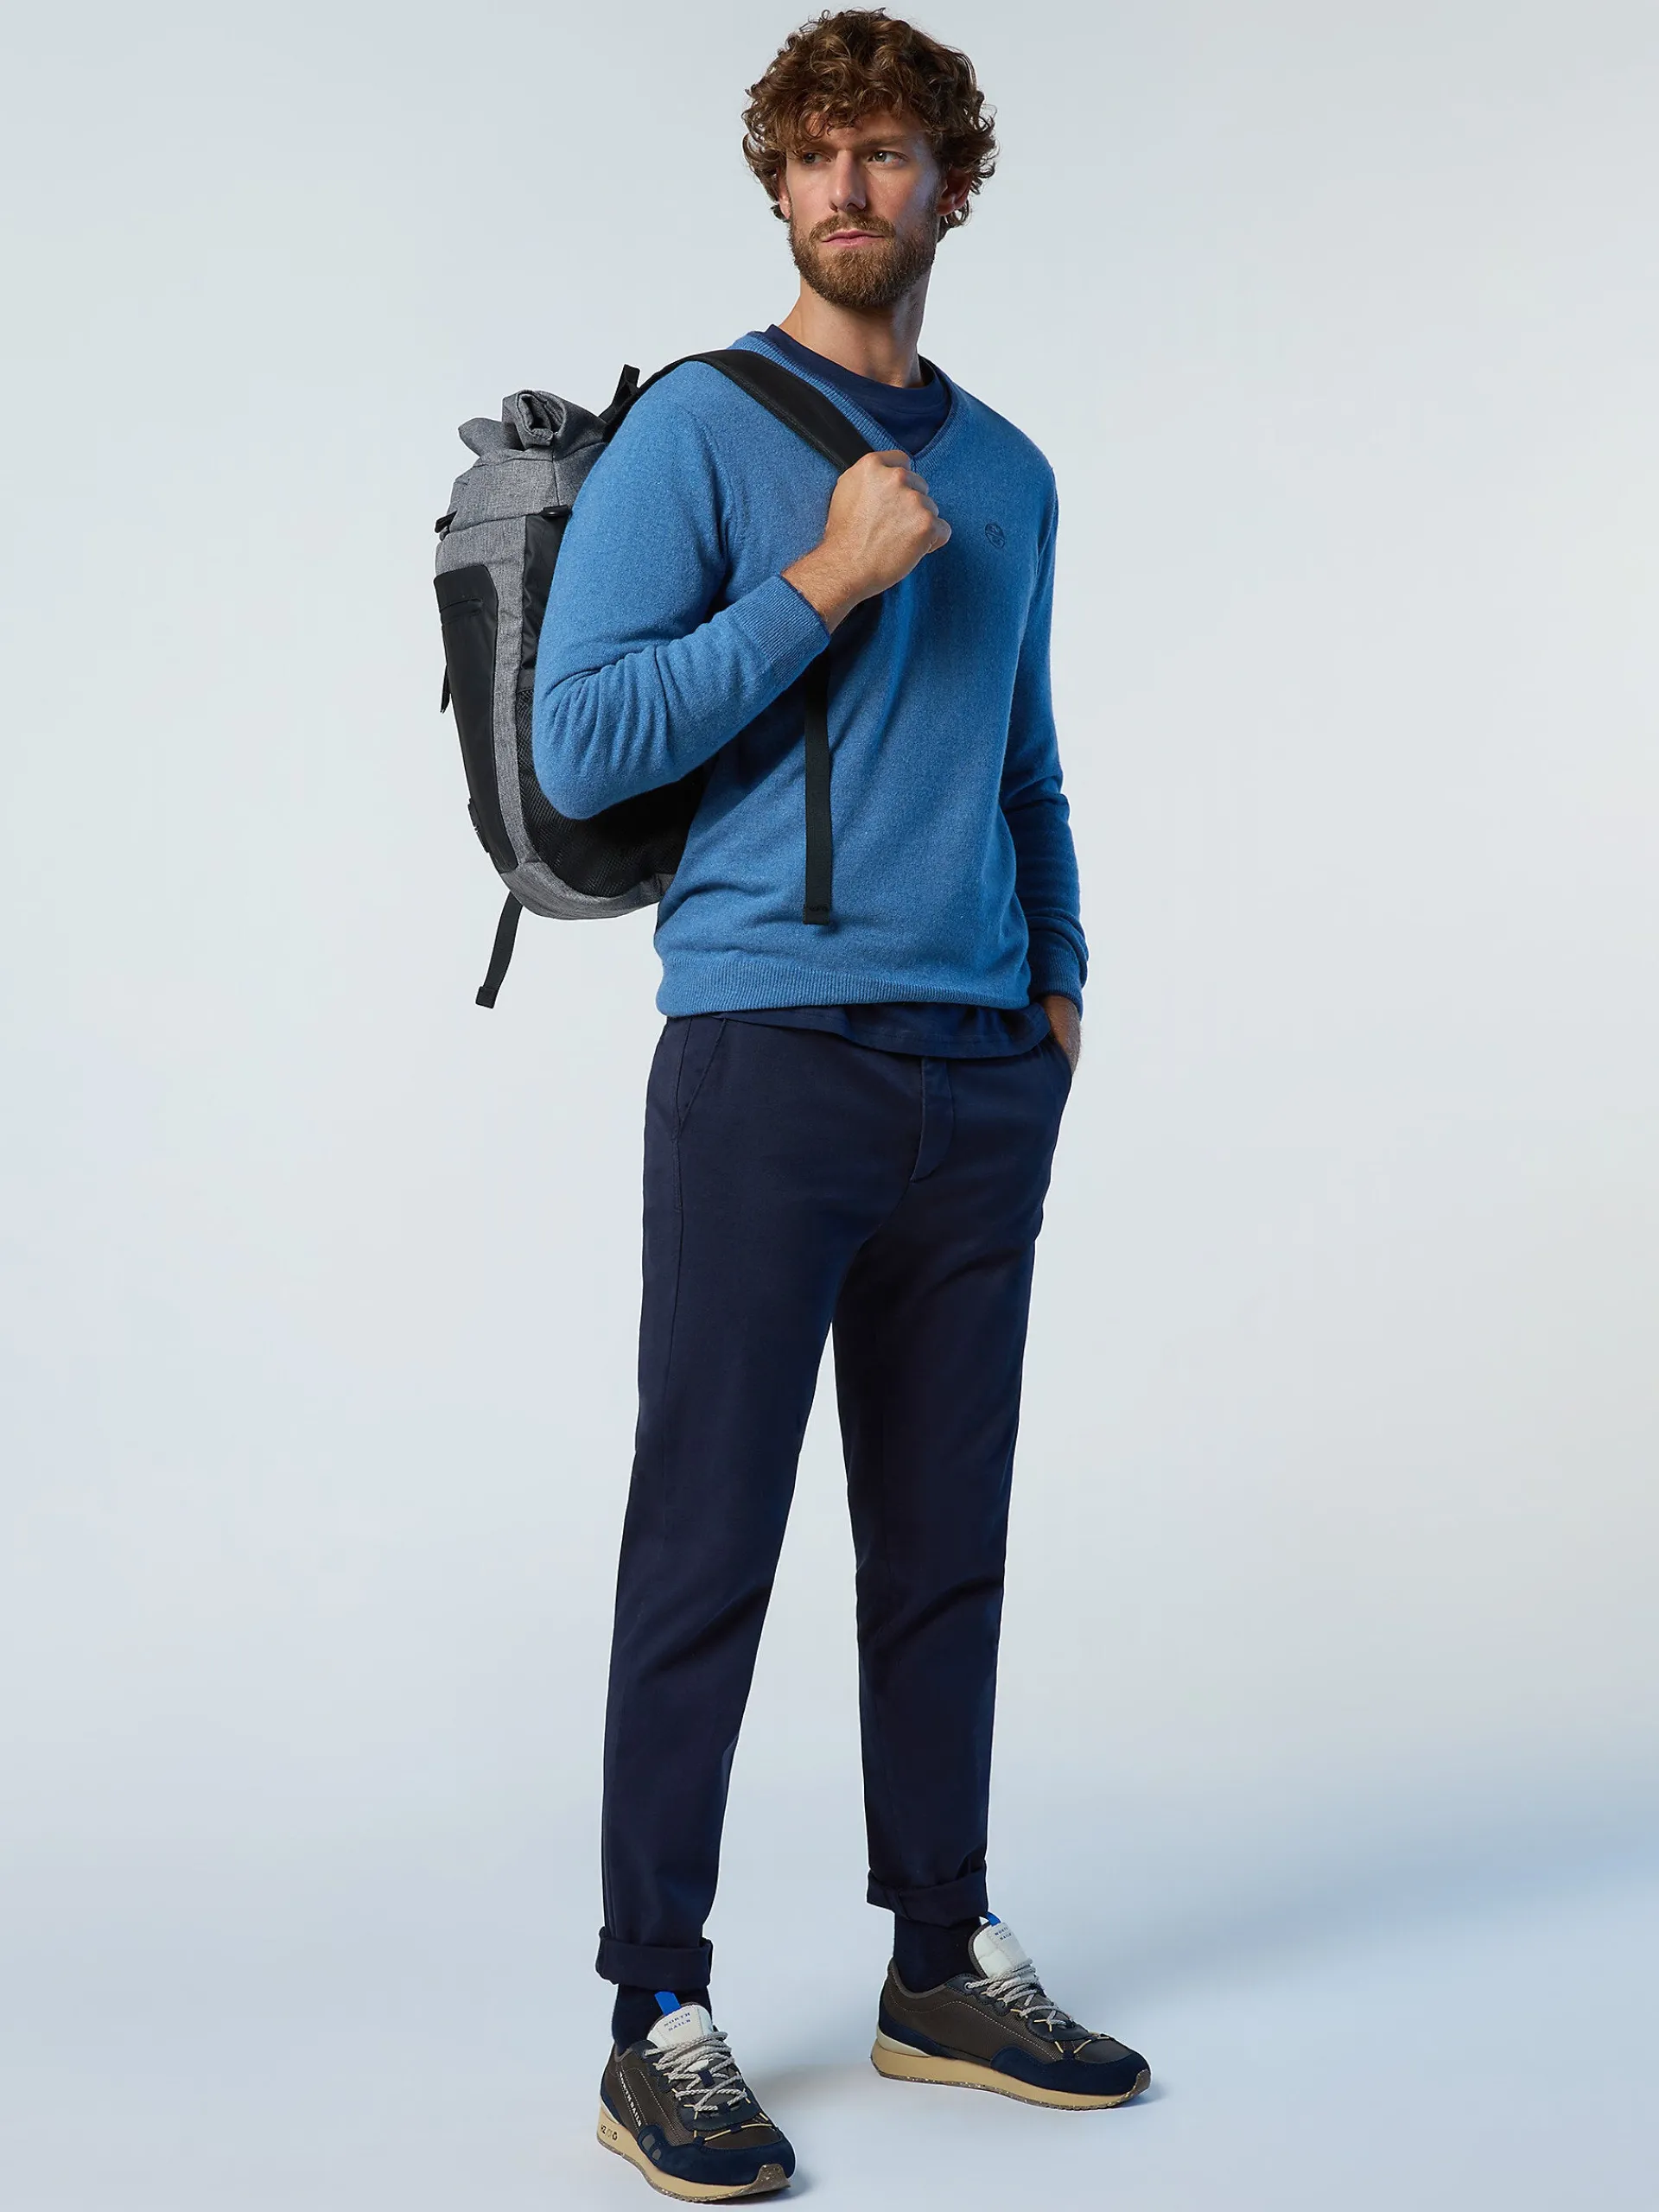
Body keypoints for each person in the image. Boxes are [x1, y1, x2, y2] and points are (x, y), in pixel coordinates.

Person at [533, 10, 1148, 2197]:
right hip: (768, 1061)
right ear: (776, 184)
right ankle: (656, 2006)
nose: (849, 188)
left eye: (888, 153)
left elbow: (1026, 756)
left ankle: (939, 1955)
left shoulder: (1016, 473)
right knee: (707, 1536)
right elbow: (584, 744)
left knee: (945, 1541)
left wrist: (1058, 975)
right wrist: (826, 576)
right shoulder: (699, 433)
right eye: (815, 155)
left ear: (950, 185)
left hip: (980, 1075)